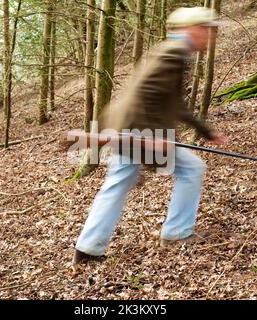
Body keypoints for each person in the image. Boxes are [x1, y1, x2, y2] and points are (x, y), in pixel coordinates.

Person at [72, 7, 227, 265]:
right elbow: (147, 93)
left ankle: (87, 248)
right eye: (208, 31)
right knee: (192, 168)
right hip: (139, 131)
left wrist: (206, 131)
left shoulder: (173, 51)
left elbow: (174, 103)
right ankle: (176, 232)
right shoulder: (173, 54)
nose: (210, 37)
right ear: (194, 29)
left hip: (129, 127)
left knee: (119, 181)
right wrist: (153, 135)